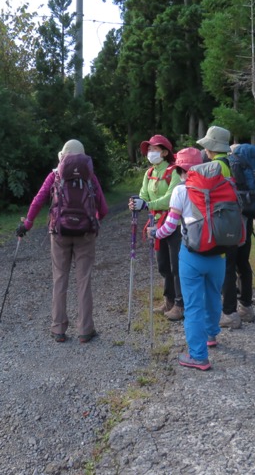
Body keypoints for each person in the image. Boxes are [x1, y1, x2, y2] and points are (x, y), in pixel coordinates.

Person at [16, 139, 109, 344]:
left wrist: (28, 224)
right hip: (86, 234)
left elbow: (39, 199)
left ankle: (58, 329)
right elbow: (103, 209)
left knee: (60, 278)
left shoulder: (55, 175)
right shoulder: (90, 177)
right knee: (84, 280)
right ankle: (85, 330)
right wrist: (93, 223)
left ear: (62, 157)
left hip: (59, 232)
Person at [149, 147, 225, 371]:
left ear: (179, 168)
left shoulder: (181, 190)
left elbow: (170, 226)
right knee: (213, 295)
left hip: (192, 254)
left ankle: (199, 356)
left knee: (193, 306)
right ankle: (211, 334)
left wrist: (155, 232)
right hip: (218, 253)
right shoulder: (221, 184)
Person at [196, 127, 255, 329]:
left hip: (226, 222)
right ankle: (246, 307)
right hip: (243, 219)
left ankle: (229, 313)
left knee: (227, 267)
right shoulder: (235, 161)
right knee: (242, 263)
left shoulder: (215, 166)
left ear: (210, 147)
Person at [128, 134, 184, 321]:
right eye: (149, 149)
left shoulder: (174, 171)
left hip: (174, 223)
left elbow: (171, 198)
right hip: (156, 224)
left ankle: (180, 304)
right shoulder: (149, 173)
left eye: (155, 149)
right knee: (163, 264)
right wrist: (137, 202)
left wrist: (147, 205)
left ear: (165, 152)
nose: (150, 153)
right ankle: (169, 300)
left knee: (176, 265)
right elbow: (144, 195)